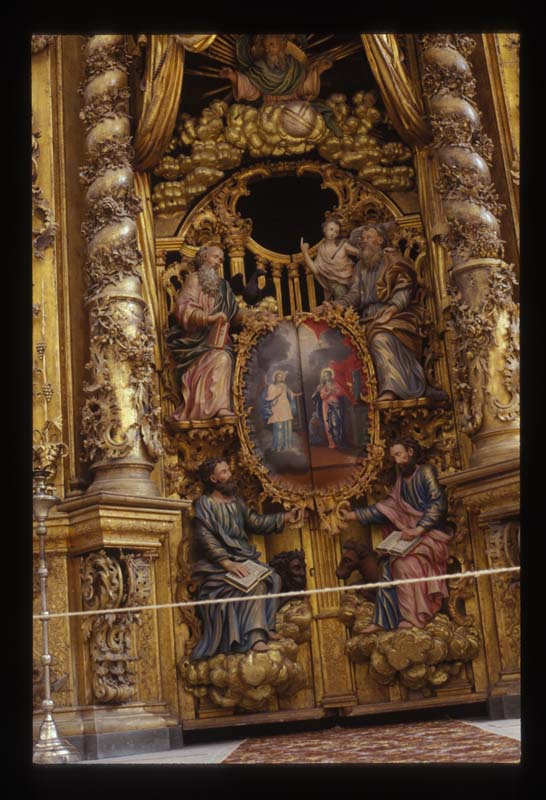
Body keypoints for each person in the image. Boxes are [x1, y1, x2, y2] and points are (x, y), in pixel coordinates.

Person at [190, 458, 301, 660]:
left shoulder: (235, 501)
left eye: (228, 470)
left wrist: (284, 518)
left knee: (275, 579)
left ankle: (267, 628)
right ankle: (255, 638)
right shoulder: (205, 504)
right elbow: (205, 537)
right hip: (219, 567)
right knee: (255, 586)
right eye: (224, 472)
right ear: (213, 478)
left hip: (244, 559)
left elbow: (254, 522)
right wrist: (227, 563)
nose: (229, 475)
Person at [339, 438, 451, 632]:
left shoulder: (425, 472)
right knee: (386, 564)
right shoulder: (401, 482)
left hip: (430, 537)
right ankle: (384, 621)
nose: (397, 461)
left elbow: (438, 504)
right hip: (411, 539)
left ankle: (414, 618)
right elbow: (386, 509)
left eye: (399, 455)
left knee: (403, 565)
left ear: (410, 452)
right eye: (394, 457)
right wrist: (352, 516)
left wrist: (418, 529)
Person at [330, 223, 445, 402]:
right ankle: (358, 398)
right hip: (367, 318)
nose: (363, 241)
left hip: (396, 314)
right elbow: (355, 295)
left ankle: (393, 389)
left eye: (368, 237)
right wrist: (336, 305)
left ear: (380, 240)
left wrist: (392, 309)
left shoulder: (393, 260)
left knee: (380, 337)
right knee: (343, 343)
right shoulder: (360, 267)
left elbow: (404, 287)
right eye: (362, 239)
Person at [166, 245, 242, 420]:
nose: (218, 262)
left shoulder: (224, 286)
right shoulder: (194, 280)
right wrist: (209, 318)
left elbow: (235, 314)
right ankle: (212, 409)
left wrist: (256, 316)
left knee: (228, 356)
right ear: (203, 258)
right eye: (215, 257)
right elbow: (183, 308)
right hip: (196, 342)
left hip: (219, 340)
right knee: (221, 358)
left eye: (221, 259)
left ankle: (221, 406)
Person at [220, 34, 332, 106]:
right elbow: (252, 90)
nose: (268, 49)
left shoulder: (296, 66)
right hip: (268, 110)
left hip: (294, 108)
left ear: (282, 44)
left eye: (272, 44)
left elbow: (303, 88)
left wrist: (319, 70)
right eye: (265, 46)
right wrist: (232, 76)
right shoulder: (258, 67)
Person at [300, 217, 360, 300]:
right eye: (331, 229)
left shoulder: (343, 245)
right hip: (334, 285)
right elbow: (315, 270)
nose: (333, 233)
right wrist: (305, 253)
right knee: (340, 297)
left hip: (351, 282)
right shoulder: (322, 249)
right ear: (325, 229)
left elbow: (359, 253)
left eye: (336, 232)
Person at [262, 370, 299, 452]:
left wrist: (297, 394)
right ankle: (278, 446)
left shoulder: (284, 385)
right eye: (278, 376)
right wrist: (279, 390)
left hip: (285, 407)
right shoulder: (272, 386)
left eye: (281, 376)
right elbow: (270, 397)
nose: (280, 378)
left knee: (286, 426)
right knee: (278, 427)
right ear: (275, 377)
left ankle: (286, 445)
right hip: (277, 407)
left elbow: (290, 393)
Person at [311, 368, 346, 449]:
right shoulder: (323, 386)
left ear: (331, 375)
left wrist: (333, 391)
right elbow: (322, 396)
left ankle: (339, 441)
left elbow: (341, 392)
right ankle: (332, 442)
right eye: (325, 376)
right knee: (328, 423)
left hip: (336, 406)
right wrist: (329, 392)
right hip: (326, 406)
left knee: (337, 423)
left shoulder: (335, 384)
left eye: (328, 375)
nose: (326, 377)